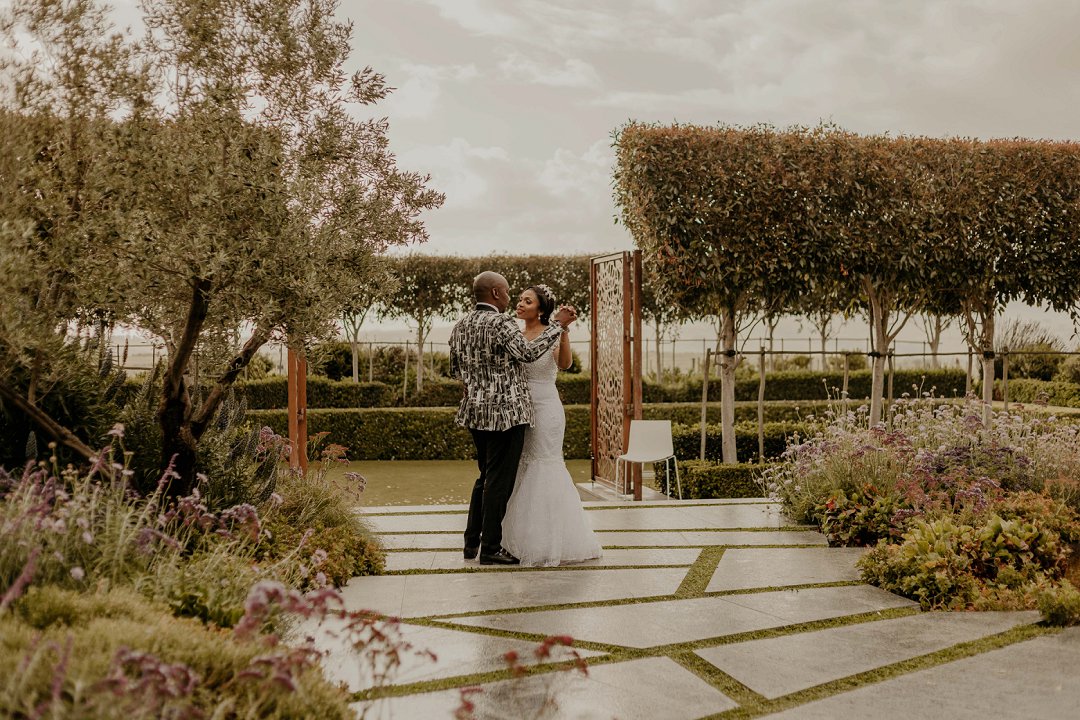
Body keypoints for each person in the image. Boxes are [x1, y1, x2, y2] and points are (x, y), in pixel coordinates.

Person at [449, 271, 577, 565]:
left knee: (484, 477)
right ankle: (491, 548)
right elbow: (528, 353)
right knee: (499, 481)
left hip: (474, 412)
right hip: (506, 414)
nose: (511, 298)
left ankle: (471, 542)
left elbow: (456, 371)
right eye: (508, 292)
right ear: (496, 293)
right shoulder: (501, 322)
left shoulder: (460, 325)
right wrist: (558, 325)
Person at [501, 285, 602, 567]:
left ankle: (553, 539)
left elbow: (566, 364)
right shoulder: (517, 336)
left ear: (541, 310)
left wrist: (564, 331)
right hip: (520, 407)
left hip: (547, 406)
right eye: (520, 300)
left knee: (545, 463)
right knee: (523, 464)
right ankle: (518, 538)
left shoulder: (554, 334)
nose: (520, 304)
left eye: (527, 301)